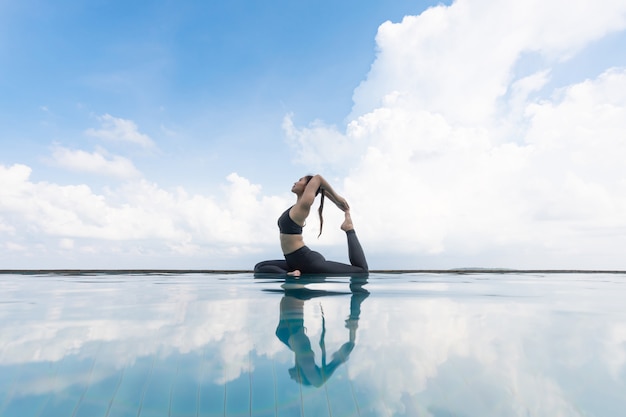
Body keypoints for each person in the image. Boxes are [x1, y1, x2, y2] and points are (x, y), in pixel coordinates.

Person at [254, 174, 368, 276]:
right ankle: (290, 273)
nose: (295, 182)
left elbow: (318, 178)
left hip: (307, 261)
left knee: (361, 271)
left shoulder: (303, 206)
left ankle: (349, 229)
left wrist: (337, 199)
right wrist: (330, 197)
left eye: (300, 180)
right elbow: (320, 189)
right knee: (259, 267)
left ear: (307, 187)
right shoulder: (296, 206)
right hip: (293, 261)